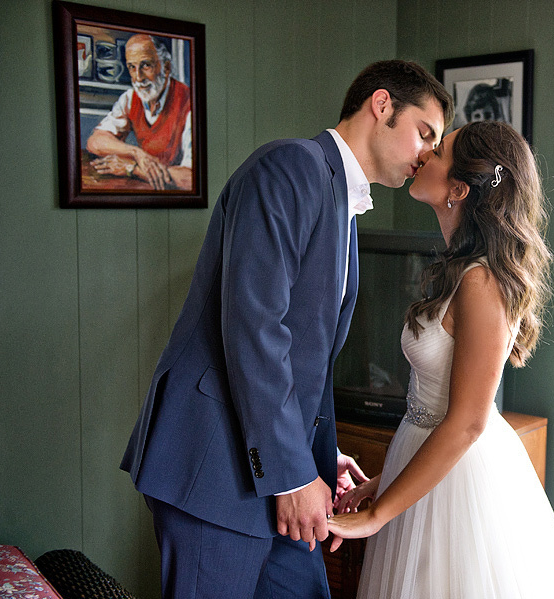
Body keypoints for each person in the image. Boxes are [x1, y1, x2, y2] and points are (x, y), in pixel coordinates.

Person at [119, 60, 454, 599]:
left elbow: (307, 363)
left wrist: (317, 456)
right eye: (425, 133)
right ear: (383, 105)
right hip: (215, 473)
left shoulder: (344, 206)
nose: (428, 154)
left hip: (278, 470)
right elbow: (255, 328)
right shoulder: (290, 167)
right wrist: (295, 475)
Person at [327, 120, 554, 599]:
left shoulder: (481, 282)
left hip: (465, 484)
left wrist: (376, 516)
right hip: (423, 457)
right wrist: (383, 483)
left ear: (459, 189)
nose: (424, 152)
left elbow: (466, 422)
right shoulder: (458, 269)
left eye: (438, 149)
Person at [86, 34, 193, 190]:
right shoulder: (130, 98)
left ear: (167, 67)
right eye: (132, 67)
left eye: (146, 65)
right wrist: (136, 153)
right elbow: (95, 141)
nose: (138, 78)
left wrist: (132, 169)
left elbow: (190, 180)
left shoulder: (189, 104)